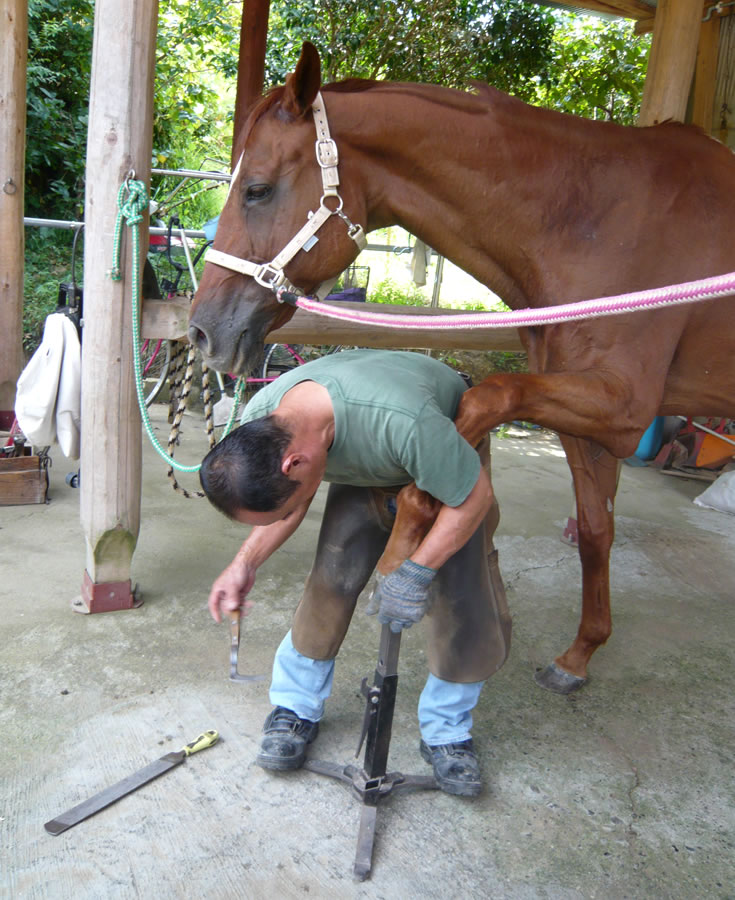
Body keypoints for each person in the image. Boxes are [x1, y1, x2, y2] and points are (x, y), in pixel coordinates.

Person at [200, 349, 511, 797]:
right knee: (332, 575)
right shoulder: (264, 421)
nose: (282, 517)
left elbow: (473, 498)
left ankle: (448, 730)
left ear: (294, 463)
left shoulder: (405, 422)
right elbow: (288, 501)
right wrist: (243, 563)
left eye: (281, 510)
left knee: (461, 595)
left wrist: (417, 571)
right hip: (368, 451)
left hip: (442, 444)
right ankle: (295, 707)